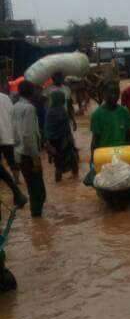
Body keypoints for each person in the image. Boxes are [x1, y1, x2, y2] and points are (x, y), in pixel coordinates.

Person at [13, 81, 46, 217]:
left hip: (19, 153)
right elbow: (28, 136)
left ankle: (36, 222)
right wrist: (35, 158)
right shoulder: (29, 109)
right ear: (31, 92)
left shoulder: (15, 107)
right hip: (28, 155)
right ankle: (37, 218)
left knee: (32, 188)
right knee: (39, 192)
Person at [44, 91, 79, 182]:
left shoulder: (49, 111)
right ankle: (76, 180)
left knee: (58, 164)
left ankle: (58, 183)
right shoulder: (62, 110)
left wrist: (48, 143)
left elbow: (47, 128)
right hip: (65, 141)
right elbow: (66, 129)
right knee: (73, 160)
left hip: (53, 142)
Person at [90, 81, 130, 156]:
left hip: (122, 153)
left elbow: (128, 136)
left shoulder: (125, 112)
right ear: (104, 94)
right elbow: (95, 140)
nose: (114, 95)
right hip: (105, 155)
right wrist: (93, 159)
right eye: (110, 93)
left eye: (116, 92)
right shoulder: (97, 115)